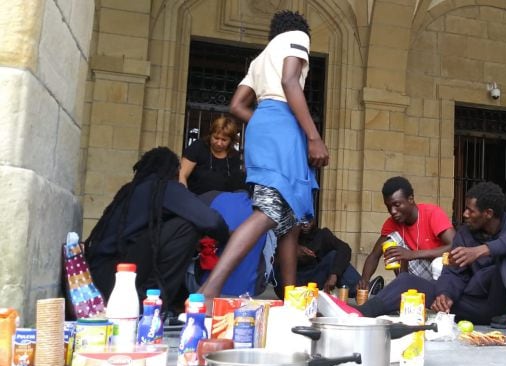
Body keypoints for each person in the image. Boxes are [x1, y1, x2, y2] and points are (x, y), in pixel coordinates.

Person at [197, 10, 329, 301]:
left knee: (290, 221)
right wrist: (313, 136)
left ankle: (290, 299)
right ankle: (210, 289)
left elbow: (236, 105)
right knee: (269, 211)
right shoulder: (297, 37)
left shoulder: (260, 59)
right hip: (282, 126)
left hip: (263, 126)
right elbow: (290, 81)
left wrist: (261, 120)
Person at [355, 182, 506, 339]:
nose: (465, 214)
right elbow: (452, 271)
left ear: (488, 213)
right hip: (475, 305)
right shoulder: (464, 234)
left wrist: (483, 250)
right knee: (407, 282)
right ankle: (359, 313)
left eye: (470, 210)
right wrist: (445, 294)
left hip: (504, 301)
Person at [85, 147, 230, 307]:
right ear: (174, 171)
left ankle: (155, 298)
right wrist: (231, 238)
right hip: (118, 280)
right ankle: (152, 302)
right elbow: (211, 221)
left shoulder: (130, 190)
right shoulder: (163, 187)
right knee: (186, 227)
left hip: (98, 276)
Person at [357, 176, 455, 291]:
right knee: (391, 241)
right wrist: (364, 281)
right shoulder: (391, 224)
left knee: (438, 263)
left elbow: (455, 246)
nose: (392, 211)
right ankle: (404, 287)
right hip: (415, 277)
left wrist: (412, 254)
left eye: (397, 205)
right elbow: (374, 256)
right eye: (389, 207)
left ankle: (439, 297)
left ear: (410, 199)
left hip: (441, 274)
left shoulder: (432, 213)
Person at [274, 219, 361, 293]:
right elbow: (272, 262)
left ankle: (357, 288)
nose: (305, 225)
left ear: (314, 221)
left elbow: (345, 248)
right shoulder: (287, 237)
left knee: (335, 255)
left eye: (309, 221)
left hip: (315, 279)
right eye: (302, 221)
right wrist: (293, 252)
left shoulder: (322, 234)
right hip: (293, 280)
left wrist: (334, 274)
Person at [179, 116, 245, 195]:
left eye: (224, 140)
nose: (219, 143)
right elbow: (182, 175)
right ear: (210, 135)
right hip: (195, 201)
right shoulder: (199, 147)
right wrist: (185, 197)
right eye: (216, 138)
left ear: (231, 141)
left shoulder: (233, 156)